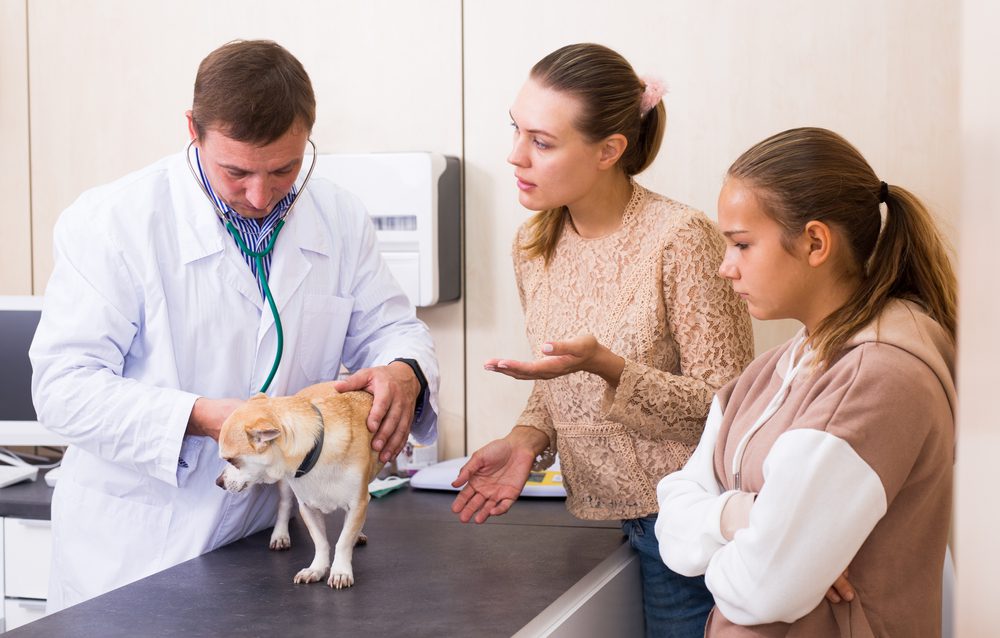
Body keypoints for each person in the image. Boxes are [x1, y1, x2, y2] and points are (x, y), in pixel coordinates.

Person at [30, 39, 439, 611]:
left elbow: (392, 326)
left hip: (267, 544)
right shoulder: (112, 223)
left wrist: (403, 370)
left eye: (285, 170)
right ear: (192, 130)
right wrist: (207, 419)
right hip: (137, 549)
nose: (261, 195)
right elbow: (63, 389)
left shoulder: (338, 216)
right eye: (236, 171)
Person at [451, 43, 754, 637]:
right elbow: (559, 377)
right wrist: (526, 438)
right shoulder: (534, 243)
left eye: (541, 142)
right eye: (516, 130)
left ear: (609, 150)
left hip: (686, 525)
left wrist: (612, 368)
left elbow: (730, 408)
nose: (515, 156)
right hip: (604, 518)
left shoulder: (681, 239)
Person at [656, 127, 956, 636]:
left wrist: (757, 546)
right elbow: (672, 516)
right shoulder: (774, 368)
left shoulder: (877, 378)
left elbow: (761, 589)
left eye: (742, 244)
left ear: (815, 242)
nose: (725, 268)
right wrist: (746, 516)